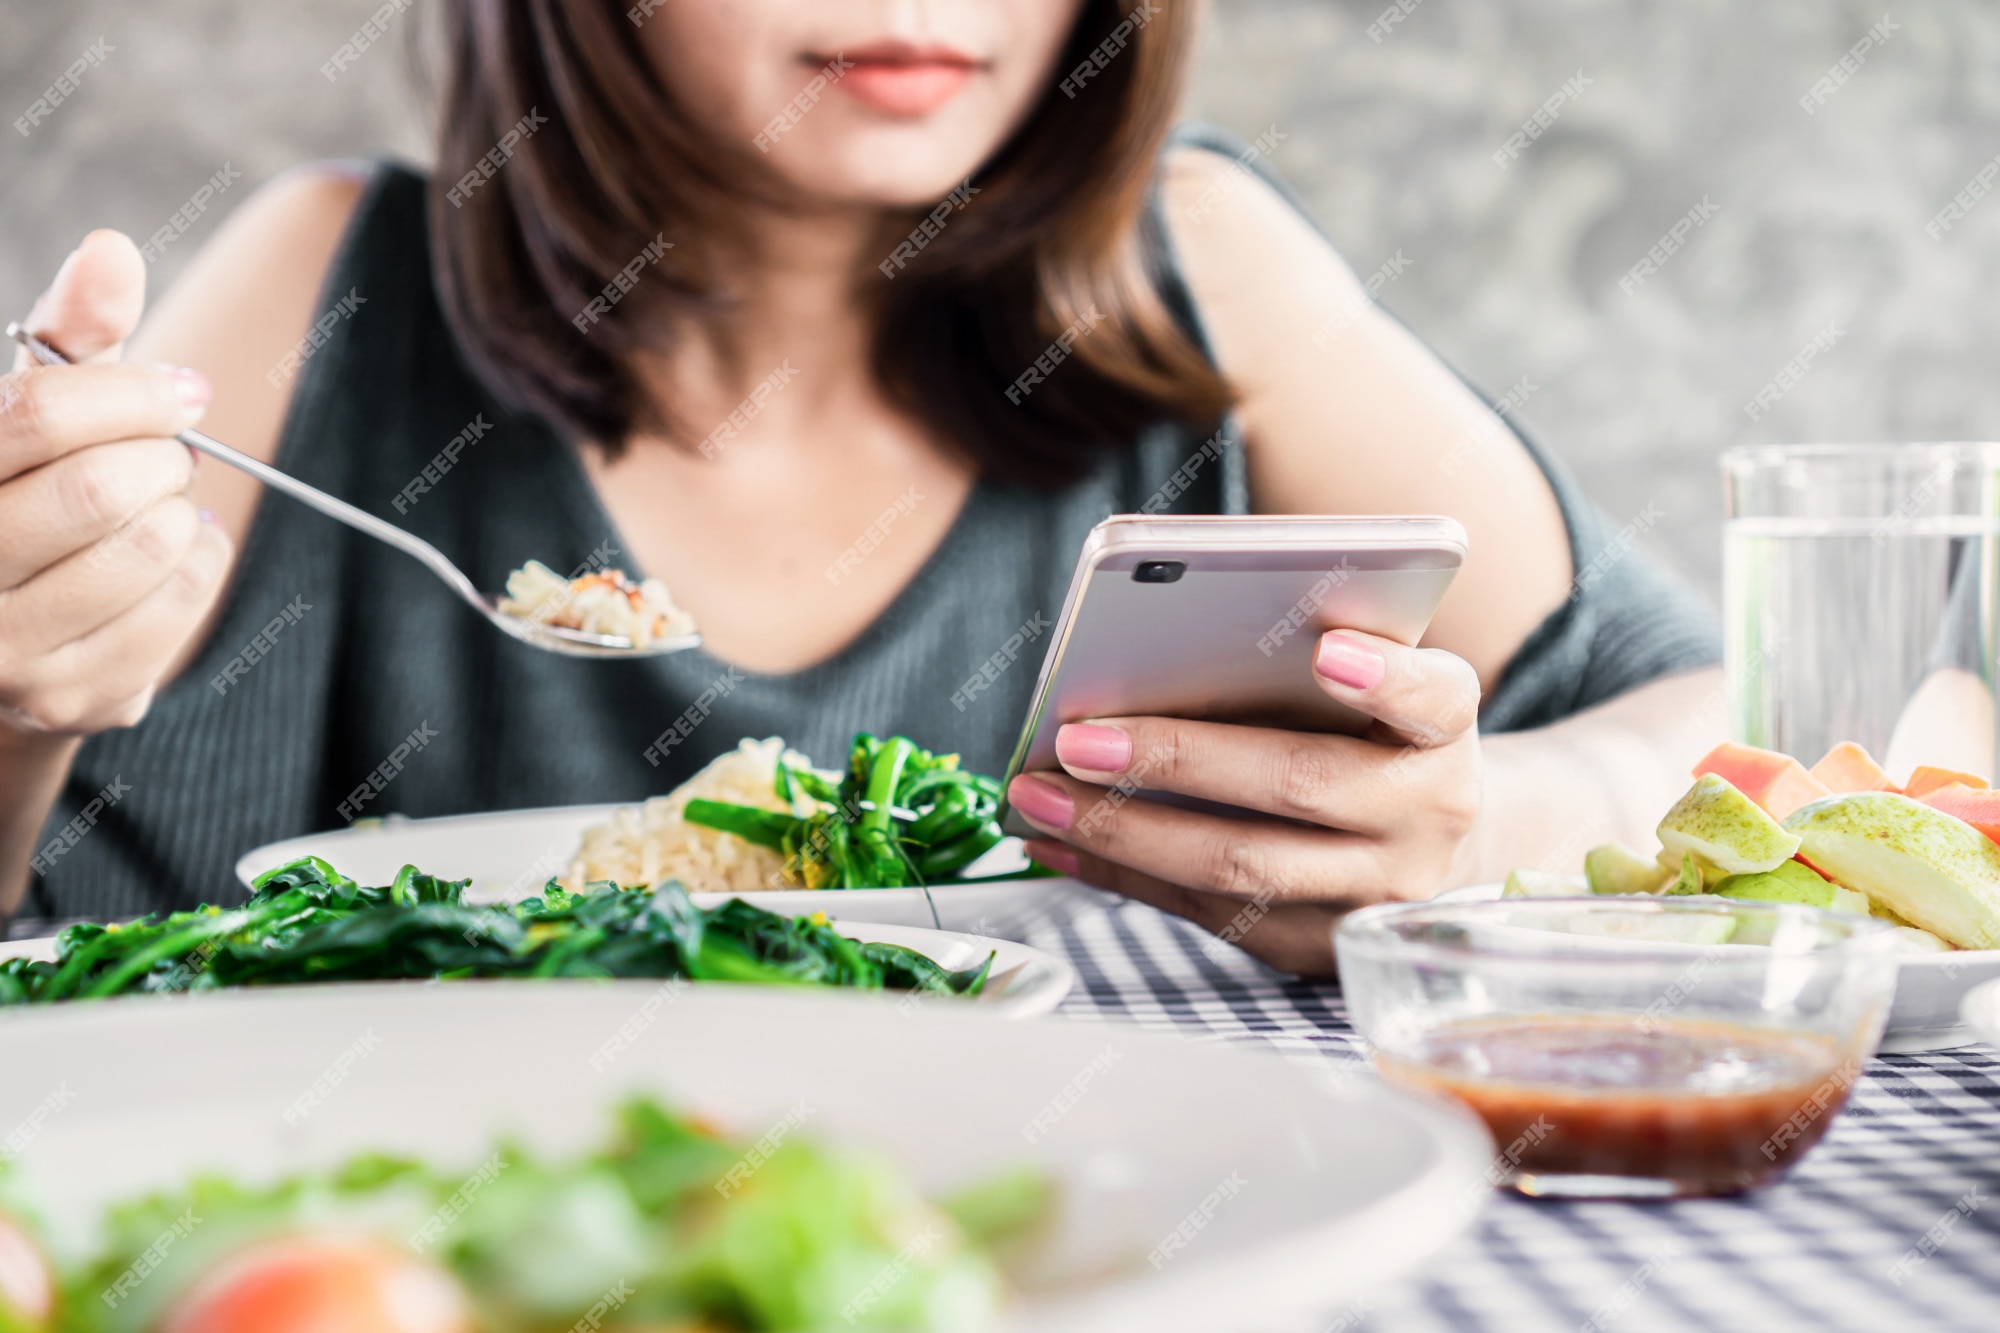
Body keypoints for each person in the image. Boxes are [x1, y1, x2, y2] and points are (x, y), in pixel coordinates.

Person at [0, 0, 1721, 974]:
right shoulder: (328, 295)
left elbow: (1814, 720)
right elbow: (55, 954)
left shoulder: (1194, 277)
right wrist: (14, 704)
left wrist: (1484, 825)